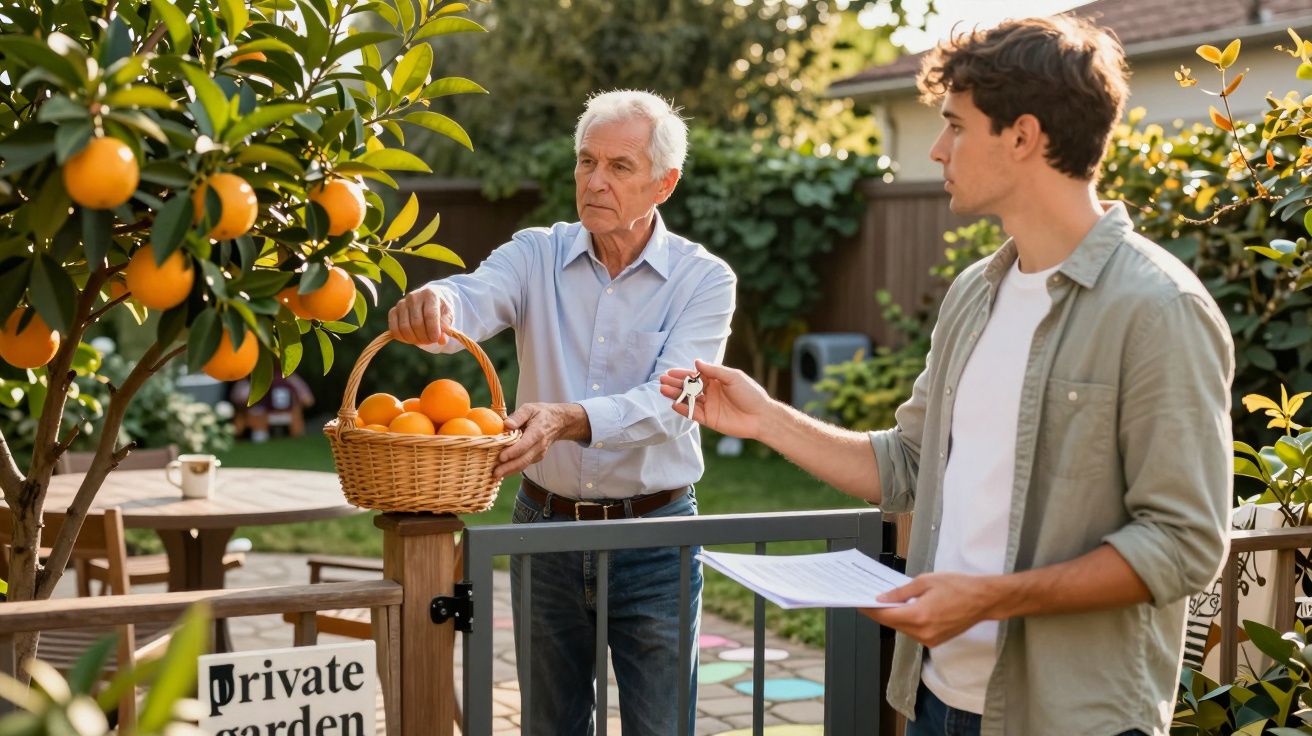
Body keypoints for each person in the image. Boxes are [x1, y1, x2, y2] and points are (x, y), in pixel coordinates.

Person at [660, 16, 1233, 736]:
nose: (937, 149)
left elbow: (1184, 544)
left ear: (1023, 136)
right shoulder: (974, 294)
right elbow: (907, 463)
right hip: (935, 700)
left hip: (1071, 718)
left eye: (956, 126)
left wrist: (991, 597)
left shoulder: (1158, 309)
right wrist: (765, 418)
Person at [388, 90, 736, 735]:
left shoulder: (704, 280)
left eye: (619, 167)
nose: (595, 181)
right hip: (543, 530)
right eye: (586, 162)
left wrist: (568, 418)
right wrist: (433, 301)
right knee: (549, 726)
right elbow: (472, 296)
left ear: (665, 183)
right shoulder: (534, 253)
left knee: (663, 727)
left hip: (655, 538)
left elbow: (677, 402)